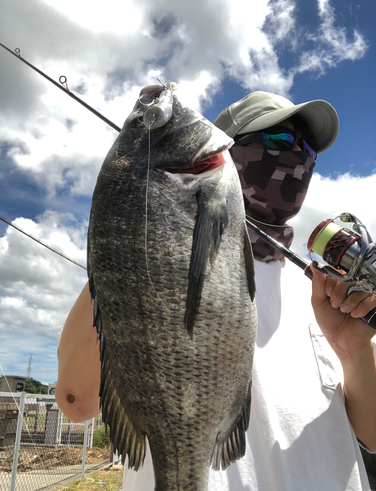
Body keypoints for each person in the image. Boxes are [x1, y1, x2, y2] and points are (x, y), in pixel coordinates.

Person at [56, 90, 376, 490]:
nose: (298, 156)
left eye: (307, 149)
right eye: (278, 140)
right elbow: (76, 400)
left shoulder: (325, 293)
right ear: (227, 147)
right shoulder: (144, 263)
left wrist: (353, 351)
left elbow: (372, 435)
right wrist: (134, 238)